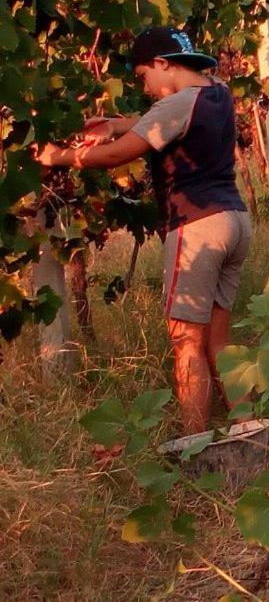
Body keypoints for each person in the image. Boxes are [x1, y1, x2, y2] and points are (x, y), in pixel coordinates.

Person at [36, 27, 252, 434]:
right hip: (235, 221)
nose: (145, 86)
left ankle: (195, 442)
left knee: (186, 342)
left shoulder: (174, 105)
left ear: (162, 64)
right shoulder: (217, 92)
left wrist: (59, 156)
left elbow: (118, 156)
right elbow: (166, 122)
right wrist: (119, 123)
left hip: (197, 226)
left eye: (143, 76)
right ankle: (248, 424)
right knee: (218, 341)